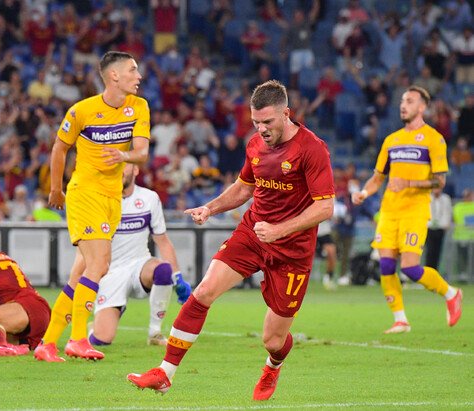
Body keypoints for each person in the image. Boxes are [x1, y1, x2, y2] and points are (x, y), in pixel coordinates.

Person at [127, 80, 335, 401]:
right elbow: (244, 188)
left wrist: (280, 230)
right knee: (204, 291)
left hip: (292, 251)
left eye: (268, 122)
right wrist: (209, 208)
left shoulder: (312, 149)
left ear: (286, 114)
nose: (261, 129)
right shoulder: (255, 144)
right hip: (253, 234)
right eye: (256, 122)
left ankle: (272, 366)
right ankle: (165, 373)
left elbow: (325, 207)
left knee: (273, 340)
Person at [34, 51, 150, 362]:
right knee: (100, 264)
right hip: (85, 193)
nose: (139, 76)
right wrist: (55, 189)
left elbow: (141, 153)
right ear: (114, 76)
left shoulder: (139, 106)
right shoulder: (82, 110)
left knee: (81, 274)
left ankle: (47, 343)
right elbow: (60, 148)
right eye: (132, 70)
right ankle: (77, 339)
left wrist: (123, 156)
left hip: (112, 198)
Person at [352, 85, 462, 334]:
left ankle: (451, 293)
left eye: (410, 101)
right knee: (386, 266)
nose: (403, 105)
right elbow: (377, 178)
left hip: (415, 210)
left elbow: (440, 182)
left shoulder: (434, 139)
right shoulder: (392, 140)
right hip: (389, 211)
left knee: (410, 268)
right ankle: (400, 319)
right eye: (402, 101)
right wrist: (364, 193)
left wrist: (409, 183)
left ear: (422, 107)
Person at [88, 163, 192, 347]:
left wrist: (178, 277)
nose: (119, 170)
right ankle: (95, 326)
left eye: (124, 165)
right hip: (110, 272)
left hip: (139, 265)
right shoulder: (99, 199)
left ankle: (155, 333)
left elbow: (163, 241)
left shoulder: (149, 198)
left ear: (135, 170)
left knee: (163, 270)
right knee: (101, 340)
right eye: (115, 166)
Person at [425, 187, 452, 276]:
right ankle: (427, 273)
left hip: (440, 228)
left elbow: (448, 212)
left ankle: (434, 274)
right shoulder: (427, 197)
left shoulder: (446, 199)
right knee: (429, 251)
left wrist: (446, 224)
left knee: (437, 252)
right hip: (429, 228)